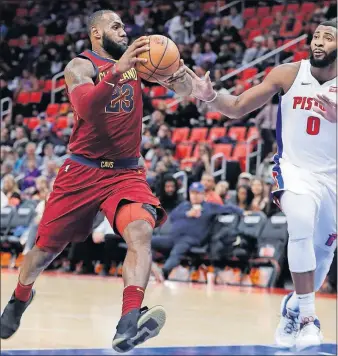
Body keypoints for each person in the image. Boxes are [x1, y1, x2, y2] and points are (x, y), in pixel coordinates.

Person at [0, 9, 192, 353]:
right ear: (96, 33)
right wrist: (117, 72)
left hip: (126, 172)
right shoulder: (80, 66)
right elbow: (87, 107)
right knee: (44, 251)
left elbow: (181, 86)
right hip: (82, 170)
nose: (124, 31)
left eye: (124, 26)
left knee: (141, 230)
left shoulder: (137, 63)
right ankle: (20, 295)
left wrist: (182, 77)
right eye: (115, 26)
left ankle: (128, 320)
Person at [179, 21, 337, 348]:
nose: (319, 42)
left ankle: (293, 307)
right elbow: (237, 107)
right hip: (294, 169)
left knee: (322, 257)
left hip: (332, 177)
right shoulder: (288, 73)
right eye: (317, 35)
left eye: (329, 37)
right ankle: (308, 318)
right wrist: (210, 96)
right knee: (301, 224)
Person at [152, 182, 243, 280]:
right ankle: (147, 266)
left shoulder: (210, 207)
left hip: (191, 239)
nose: (194, 196)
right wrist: (187, 214)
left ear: (203, 194)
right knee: (147, 240)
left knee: (177, 250)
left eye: (197, 193)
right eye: (192, 193)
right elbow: (173, 216)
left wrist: (243, 212)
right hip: (173, 238)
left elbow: (229, 208)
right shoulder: (184, 206)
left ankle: (164, 271)